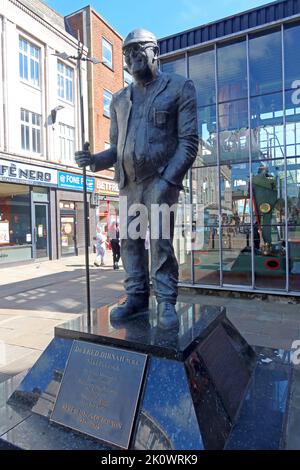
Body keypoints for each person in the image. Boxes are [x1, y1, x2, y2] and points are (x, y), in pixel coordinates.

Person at [75, 28, 198, 329]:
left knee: (160, 242)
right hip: (129, 183)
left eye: (138, 49)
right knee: (129, 242)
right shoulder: (119, 99)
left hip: (161, 180)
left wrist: (167, 181)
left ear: (155, 51)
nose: (131, 57)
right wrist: (94, 160)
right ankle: (136, 298)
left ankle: (166, 301)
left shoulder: (180, 88)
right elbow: (117, 148)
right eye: (127, 53)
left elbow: (189, 142)